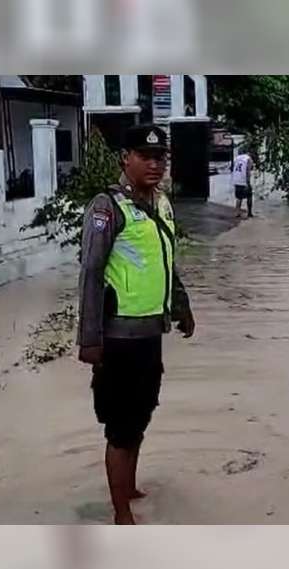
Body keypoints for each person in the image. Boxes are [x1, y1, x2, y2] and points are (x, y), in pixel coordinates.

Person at [77, 125, 196, 525]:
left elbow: (166, 261)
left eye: (160, 157)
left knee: (141, 415)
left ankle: (128, 488)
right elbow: (91, 273)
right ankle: (120, 512)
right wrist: (89, 339)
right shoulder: (107, 207)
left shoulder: (161, 204)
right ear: (125, 158)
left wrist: (182, 306)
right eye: (145, 156)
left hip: (150, 334)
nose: (154, 164)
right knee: (120, 427)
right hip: (118, 338)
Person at [232, 147, 254, 218]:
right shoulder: (248, 159)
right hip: (244, 180)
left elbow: (233, 168)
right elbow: (248, 171)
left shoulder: (236, 158)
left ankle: (237, 212)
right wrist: (248, 182)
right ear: (247, 152)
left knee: (239, 197)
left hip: (236, 180)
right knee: (249, 196)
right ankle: (249, 213)